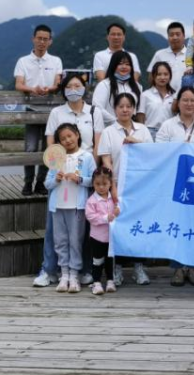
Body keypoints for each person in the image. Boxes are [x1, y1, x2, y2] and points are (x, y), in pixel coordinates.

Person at [38, 72, 105, 288]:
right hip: (60, 171)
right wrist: (56, 166)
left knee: (82, 230)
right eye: (69, 86)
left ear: (85, 88)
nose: (74, 89)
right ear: (63, 90)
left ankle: (81, 271)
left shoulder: (94, 111)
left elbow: (97, 143)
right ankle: (50, 270)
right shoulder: (57, 112)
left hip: (84, 171)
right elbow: (51, 143)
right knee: (54, 230)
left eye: (78, 85)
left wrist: (89, 174)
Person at [158, 86, 194, 288]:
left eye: (193, 100)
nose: (189, 104)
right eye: (185, 100)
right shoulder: (168, 126)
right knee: (176, 224)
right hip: (174, 183)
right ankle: (177, 268)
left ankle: (192, 267)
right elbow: (160, 152)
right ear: (178, 102)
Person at [98, 92, 153, 285]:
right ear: (115, 109)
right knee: (118, 228)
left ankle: (139, 267)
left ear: (134, 109)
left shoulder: (143, 130)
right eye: (120, 106)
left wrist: (136, 142)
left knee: (139, 227)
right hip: (117, 187)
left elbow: (152, 155)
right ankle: (118, 268)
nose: (125, 110)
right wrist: (112, 187)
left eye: (129, 106)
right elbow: (106, 162)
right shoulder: (108, 132)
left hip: (140, 188)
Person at [43, 124, 96, 293]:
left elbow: (94, 180)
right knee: (60, 241)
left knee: (75, 241)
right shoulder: (56, 158)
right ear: (59, 142)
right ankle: (64, 274)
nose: (67, 140)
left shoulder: (86, 157)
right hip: (58, 207)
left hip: (77, 207)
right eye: (63, 139)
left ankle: (74, 275)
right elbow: (47, 183)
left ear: (77, 135)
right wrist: (56, 180)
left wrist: (79, 179)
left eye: (70, 136)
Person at [13, 24, 64, 195]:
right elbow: (18, 84)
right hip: (31, 109)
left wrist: (50, 89)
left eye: (45, 39)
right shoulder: (23, 61)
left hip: (51, 111)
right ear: (33, 39)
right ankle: (28, 182)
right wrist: (32, 89)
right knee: (30, 147)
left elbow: (58, 83)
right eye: (39, 38)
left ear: (50, 41)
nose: (42, 42)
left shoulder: (56, 61)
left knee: (48, 148)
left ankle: (41, 182)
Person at [84, 169, 119, 295]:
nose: (101, 187)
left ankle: (110, 281)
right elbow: (90, 217)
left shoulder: (114, 199)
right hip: (97, 238)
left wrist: (118, 211)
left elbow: (119, 213)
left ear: (110, 184)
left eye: (104, 184)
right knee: (97, 261)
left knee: (110, 260)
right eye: (97, 184)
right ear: (93, 183)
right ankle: (97, 282)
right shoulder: (91, 201)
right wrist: (105, 218)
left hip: (111, 237)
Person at [92, 50, 141, 127]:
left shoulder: (137, 86)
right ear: (113, 66)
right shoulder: (104, 85)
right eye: (120, 64)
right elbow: (97, 108)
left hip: (132, 129)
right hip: (110, 128)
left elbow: (139, 110)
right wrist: (116, 121)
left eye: (127, 64)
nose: (124, 67)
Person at [136, 61, 176, 139]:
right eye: (159, 74)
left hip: (170, 132)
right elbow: (141, 117)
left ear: (170, 76)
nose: (162, 77)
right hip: (150, 132)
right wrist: (142, 134)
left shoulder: (174, 95)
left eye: (166, 74)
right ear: (153, 76)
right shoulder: (145, 95)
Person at [149, 21, 187, 92]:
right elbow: (151, 76)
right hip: (164, 95)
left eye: (178, 34)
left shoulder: (192, 55)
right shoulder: (159, 54)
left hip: (186, 96)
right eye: (171, 35)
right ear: (168, 37)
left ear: (184, 36)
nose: (174, 37)